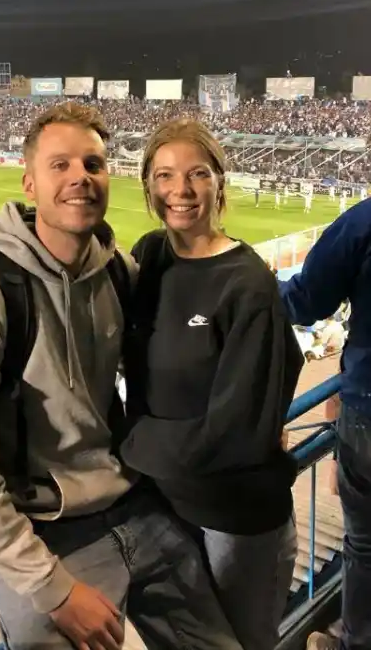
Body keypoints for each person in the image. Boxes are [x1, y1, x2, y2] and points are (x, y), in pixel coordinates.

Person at [0, 101, 242, 650]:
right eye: (60, 165)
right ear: (29, 183)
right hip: (41, 533)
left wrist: (251, 418)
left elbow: (174, 364)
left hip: (133, 504)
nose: (80, 177)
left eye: (93, 164)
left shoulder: (119, 273)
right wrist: (53, 590)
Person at [120, 118, 302, 650]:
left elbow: (238, 432)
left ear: (219, 181)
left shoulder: (247, 283)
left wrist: (127, 441)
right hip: (166, 512)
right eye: (165, 175)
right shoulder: (150, 255)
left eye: (197, 173)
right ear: (148, 185)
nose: (181, 189)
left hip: (234, 521)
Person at [279, 197, 371, 650]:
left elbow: (303, 303)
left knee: (366, 543)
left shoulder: (362, 223)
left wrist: (238, 278)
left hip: (368, 410)